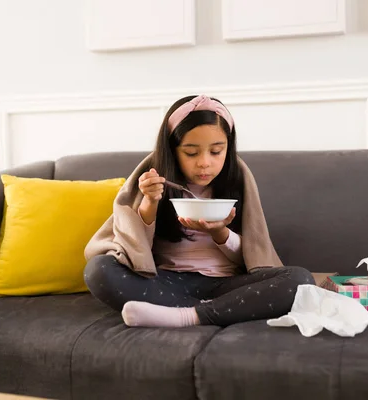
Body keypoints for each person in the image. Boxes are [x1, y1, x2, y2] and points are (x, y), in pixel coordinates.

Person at [83, 94, 314, 328]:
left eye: (216, 152)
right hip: (168, 281)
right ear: (172, 150)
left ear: (228, 148)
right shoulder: (154, 178)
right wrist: (150, 201)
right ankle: (225, 309)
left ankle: (187, 315)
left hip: (227, 283)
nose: (204, 163)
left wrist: (220, 232)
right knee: (99, 270)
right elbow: (135, 249)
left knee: (299, 280)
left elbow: (253, 255)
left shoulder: (238, 179)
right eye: (191, 153)